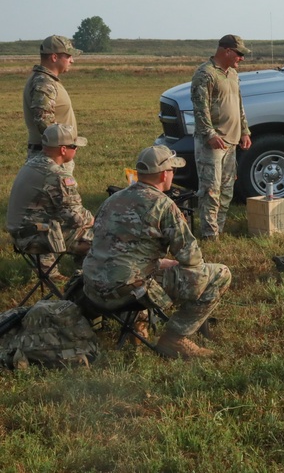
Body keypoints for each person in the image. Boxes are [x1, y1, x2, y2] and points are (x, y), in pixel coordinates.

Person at [82, 145, 232, 359]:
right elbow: (191, 258)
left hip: (93, 289)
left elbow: (117, 250)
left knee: (153, 269)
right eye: (173, 170)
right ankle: (175, 339)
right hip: (128, 293)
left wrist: (159, 262)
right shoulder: (163, 205)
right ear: (164, 174)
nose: (173, 174)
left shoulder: (112, 200)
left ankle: (138, 327)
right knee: (220, 274)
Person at [6, 124, 94, 281]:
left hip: (21, 232)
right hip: (36, 236)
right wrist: (95, 219)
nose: (76, 149)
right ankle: (91, 284)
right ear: (62, 150)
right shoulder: (57, 175)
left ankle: (83, 279)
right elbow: (75, 218)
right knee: (103, 240)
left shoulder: (34, 163)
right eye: (74, 146)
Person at [191, 34, 252, 240]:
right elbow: (200, 109)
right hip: (213, 143)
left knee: (226, 189)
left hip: (231, 141)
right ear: (227, 51)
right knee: (211, 189)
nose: (241, 58)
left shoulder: (233, 74)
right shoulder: (205, 74)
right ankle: (209, 234)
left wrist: (244, 130)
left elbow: (239, 104)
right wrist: (209, 134)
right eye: (239, 54)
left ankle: (219, 228)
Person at [23, 35, 81, 165]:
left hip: (54, 155)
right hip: (52, 157)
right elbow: (43, 121)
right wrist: (62, 149)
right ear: (54, 57)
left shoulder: (45, 80)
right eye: (68, 56)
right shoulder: (44, 83)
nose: (72, 61)